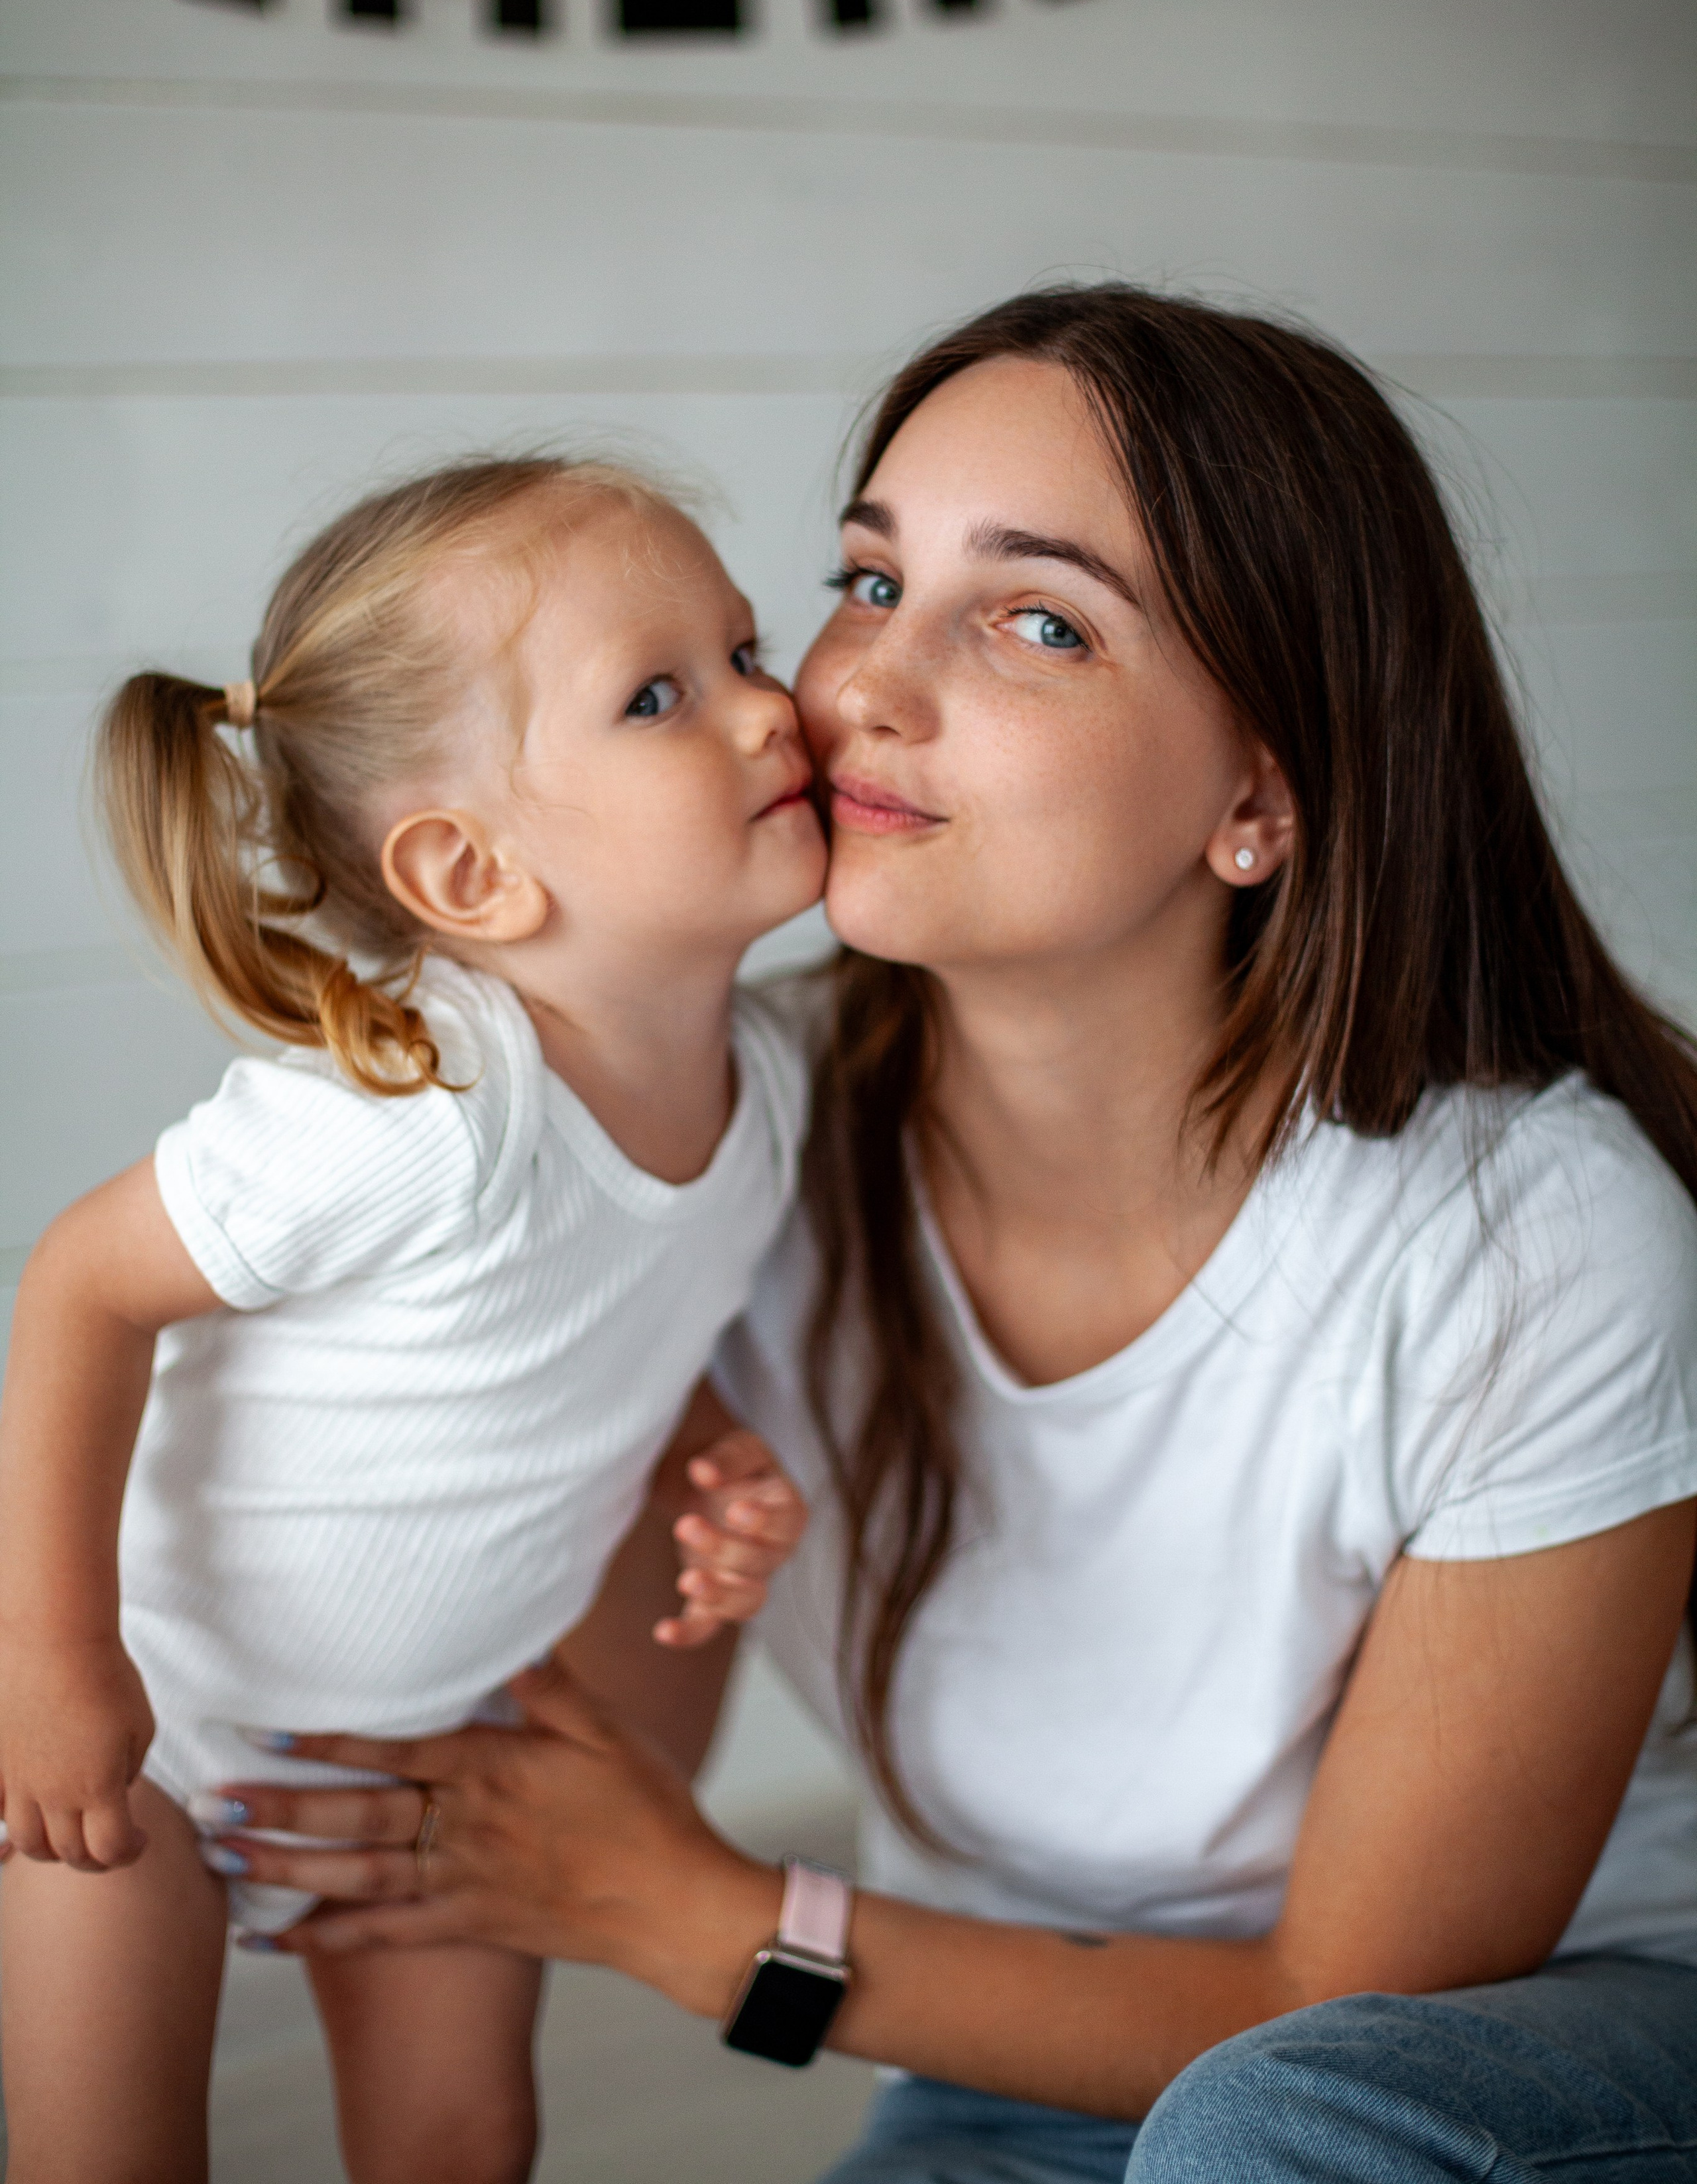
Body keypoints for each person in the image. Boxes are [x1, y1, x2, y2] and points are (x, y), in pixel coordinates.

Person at [196, 293, 1697, 2181]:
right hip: (1006, 2073)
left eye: (1039, 621)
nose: (855, 694)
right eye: (869, 581)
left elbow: (1341, 2001)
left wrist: (705, 1922)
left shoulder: (1537, 1240)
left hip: (1516, 2062)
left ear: (1261, 791)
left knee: (1267, 2128)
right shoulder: (714, 1138)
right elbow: (585, 1734)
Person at [0, 455, 828, 2184]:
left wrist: (714, 1454)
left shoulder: (766, 1094)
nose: (770, 710)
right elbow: (83, 1284)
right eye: (660, 695)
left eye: (747, 651)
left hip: (426, 1753)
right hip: (147, 1742)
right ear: (470, 870)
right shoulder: (426, 1107)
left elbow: (592, 1326)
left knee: (466, 2142)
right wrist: (52, 1659)